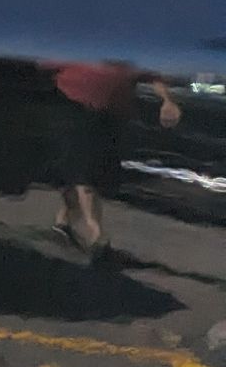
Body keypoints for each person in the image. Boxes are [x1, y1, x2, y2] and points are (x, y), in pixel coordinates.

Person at [48, 62, 180, 256]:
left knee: (90, 171)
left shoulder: (128, 51)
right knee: (85, 174)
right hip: (75, 108)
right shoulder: (81, 45)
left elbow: (153, 74)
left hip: (111, 117)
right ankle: (97, 235)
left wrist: (168, 100)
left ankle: (63, 222)